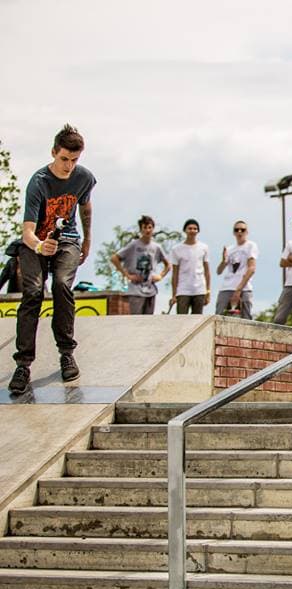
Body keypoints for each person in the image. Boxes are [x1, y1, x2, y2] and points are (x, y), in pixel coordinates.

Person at [8, 124, 96, 394]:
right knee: (33, 292)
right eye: (64, 159)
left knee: (61, 284)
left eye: (74, 160)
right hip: (35, 242)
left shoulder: (84, 178)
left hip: (67, 239)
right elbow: (27, 233)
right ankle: (23, 365)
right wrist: (38, 247)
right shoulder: (38, 182)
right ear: (53, 153)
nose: (69, 166)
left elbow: (86, 206)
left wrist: (87, 240)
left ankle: (66, 353)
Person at [111, 215, 170, 315]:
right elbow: (114, 258)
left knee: (148, 321)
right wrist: (127, 275)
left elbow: (168, 265)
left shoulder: (156, 247)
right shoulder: (134, 245)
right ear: (141, 229)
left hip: (150, 289)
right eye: (145, 227)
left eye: (150, 227)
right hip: (136, 289)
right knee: (136, 320)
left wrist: (160, 276)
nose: (147, 230)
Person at [215, 220, 258, 319]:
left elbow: (252, 268)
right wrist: (223, 261)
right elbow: (219, 271)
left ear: (247, 232)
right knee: (218, 316)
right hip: (227, 287)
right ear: (233, 232)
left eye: (242, 230)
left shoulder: (251, 246)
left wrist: (238, 289)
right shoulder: (230, 249)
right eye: (237, 230)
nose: (239, 232)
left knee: (246, 318)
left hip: (245, 287)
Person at [169, 218, 210, 314]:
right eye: (190, 228)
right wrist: (174, 294)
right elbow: (175, 273)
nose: (192, 231)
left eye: (195, 229)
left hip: (199, 289)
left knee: (197, 320)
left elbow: (207, 271)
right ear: (185, 230)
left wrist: (208, 291)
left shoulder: (204, 248)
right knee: (182, 319)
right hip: (183, 290)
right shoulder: (177, 249)